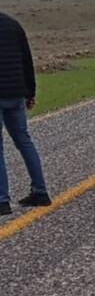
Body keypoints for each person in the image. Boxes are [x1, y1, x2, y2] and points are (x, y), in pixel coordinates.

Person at [0, 11, 50, 216]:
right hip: (16, 92)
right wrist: (30, 92)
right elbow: (27, 60)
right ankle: (40, 190)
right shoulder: (12, 24)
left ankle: (2, 200)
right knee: (24, 141)